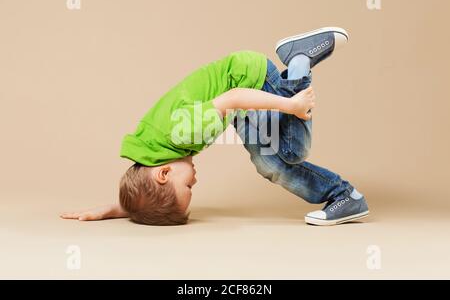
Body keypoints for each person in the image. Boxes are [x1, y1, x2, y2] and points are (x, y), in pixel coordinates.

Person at [61, 27, 369, 226]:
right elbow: (148, 189)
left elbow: (234, 97)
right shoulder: (152, 151)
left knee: (292, 151)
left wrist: (293, 106)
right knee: (270, 164)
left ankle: (299, 60)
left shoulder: (182, 132)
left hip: (248, 80)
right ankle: (345, 198)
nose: (195, 180)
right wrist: (127, 208)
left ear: (165, 173)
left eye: (189, 186)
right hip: (238, 101)